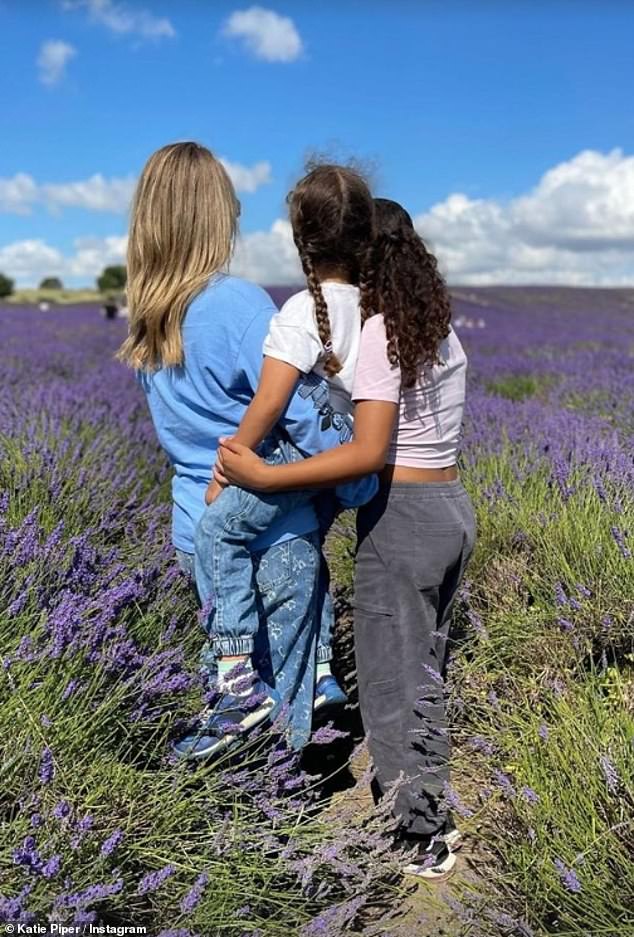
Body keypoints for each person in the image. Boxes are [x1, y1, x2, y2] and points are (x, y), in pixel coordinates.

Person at [215, 198, 476, 880]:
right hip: (452, 506)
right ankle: (430, 810)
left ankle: (423, 833)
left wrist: (269, 476)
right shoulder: (439, 330)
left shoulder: (388, 334)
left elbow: (366, 452)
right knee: (427, 669)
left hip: (405, 514)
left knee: (392, 682)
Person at [116, 142, 370, 759]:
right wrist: (356, 472)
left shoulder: (149, 316)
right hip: (270, 525)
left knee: (236, 686)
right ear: (217, 215)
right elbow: (302, 410)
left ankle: (237, 816)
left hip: (194, 524)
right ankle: (288, 826)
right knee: (284, 702)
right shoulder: (236, 304)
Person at [198, 164, 377, 729]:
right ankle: (323, 670)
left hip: (297, 460)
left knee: (217, 531)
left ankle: (235, 680)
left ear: (300, 239)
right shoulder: (373, 311)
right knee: (312, 552)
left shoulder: (302, 311)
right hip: (344, 469)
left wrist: (229, 466)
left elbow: (270, 403)